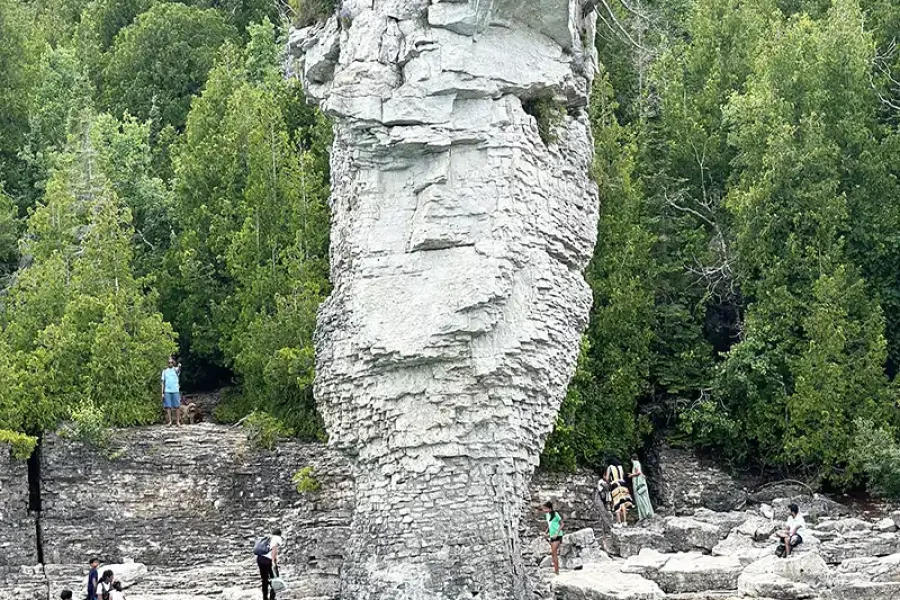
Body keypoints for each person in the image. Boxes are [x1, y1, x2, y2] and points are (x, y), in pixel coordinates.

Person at [605, 458, 634, 527]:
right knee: (623, 504)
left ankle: (619, 522)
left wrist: (609, 482)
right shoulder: (620, 467)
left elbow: (607, 479)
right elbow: (622, 476)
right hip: (623, 485)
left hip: (615, 486)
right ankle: (625, 522)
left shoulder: (610, 467)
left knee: (616, 503)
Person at [257, 527, 283, 600]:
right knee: (275, 578)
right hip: (268, 560)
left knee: (264, 579)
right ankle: (272, 597)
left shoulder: (269, 538)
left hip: (260, 558)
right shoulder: (277, 538)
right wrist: (273, 562)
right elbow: (274, 549)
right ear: (279, 534)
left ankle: (265, 597)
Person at [629, 455, 654, 521]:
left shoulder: (635, 463)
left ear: (632, 459)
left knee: (640, 498)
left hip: (637, 483)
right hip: (641, 483)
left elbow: (638, 472)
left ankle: (645, 514)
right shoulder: (638, 463)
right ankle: (647, 512)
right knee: (645, 498)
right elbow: (641, 473)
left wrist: (631, 475)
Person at [542, 501, 564, 576]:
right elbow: (550, 525)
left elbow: (562, 524)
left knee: (554, 552)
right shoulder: (547, 515)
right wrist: (546, 532)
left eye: (545, 508)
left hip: (557, 535)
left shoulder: (555, 514)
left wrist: (557, 532)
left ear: (550, 508)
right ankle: (556, 570)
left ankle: (557, 571)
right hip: (551, 535)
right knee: (553, 553)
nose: (544, 510)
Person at [161, 357, 182, 426]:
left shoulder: (175, 369)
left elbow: (178, 370)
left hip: (175, 390)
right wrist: (162, 393)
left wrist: (179, 366)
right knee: (168, 406)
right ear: (167, 364)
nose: (170, 364)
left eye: (171, 362)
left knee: (177, 406)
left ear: (173, 363)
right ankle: (170, 421)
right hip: (167, 391)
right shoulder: (164, 371)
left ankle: (177, 421)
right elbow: (163, 383)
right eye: (169, 362)